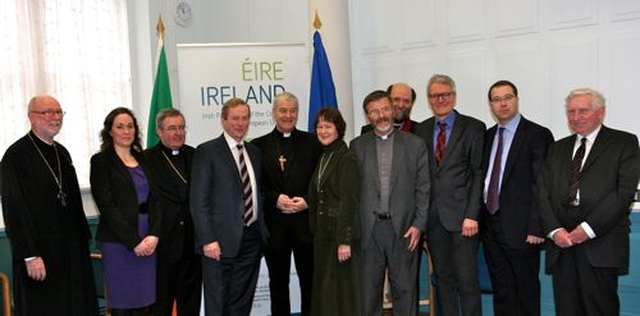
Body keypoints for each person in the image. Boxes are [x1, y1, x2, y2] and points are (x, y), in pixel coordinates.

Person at [538, 88, 639, 315]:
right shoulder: (557, 148)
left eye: (583, 111)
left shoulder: (624, 142)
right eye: (571, 112)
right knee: (566, 309)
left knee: (600, 309)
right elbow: (542, 193)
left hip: (600, 243)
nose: (576, 117)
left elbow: (623, 194)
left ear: (600, 113)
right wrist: (555, 231)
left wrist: (586, 230)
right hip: (562, 245)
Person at [1, 95, 99, 315]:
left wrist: (83, 244)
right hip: (40, 256)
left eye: (58, 112)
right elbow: (14, 209)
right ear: (31, 117)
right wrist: (30, 255)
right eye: (47, 112)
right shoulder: (15, 156)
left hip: (71, 251)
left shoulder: (62, 152)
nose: (55, 118)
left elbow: (72, 201)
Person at [350, 90, 430, 315]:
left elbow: (424, 188)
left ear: (393, 110)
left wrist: (418, 225)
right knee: (368, 293)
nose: (381, 115)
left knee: (405, 290)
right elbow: (351, 192)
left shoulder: (415, 144)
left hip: (405, 229)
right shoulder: (357, 146)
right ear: (368, 116)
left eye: (385, 109)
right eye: (374, 112)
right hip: (369, 230)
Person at [415, 74, 485, 316]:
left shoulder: (474, 127)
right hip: (433, 220)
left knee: (467, 280)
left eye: (445, 94)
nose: (440, 99)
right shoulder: (420, 129)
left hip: (463, 219)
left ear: (454, 96)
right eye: (435, 95)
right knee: (443, 278)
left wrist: (472, 215)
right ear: (429, 99)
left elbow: (478, 174)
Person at [481, 80, 553, 316]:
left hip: (523, 229)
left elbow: (542, 185)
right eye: (496, 99)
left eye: (507, 97)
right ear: (491, 104)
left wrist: (537, 226)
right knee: (502, 291)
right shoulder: (488, 136)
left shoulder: (537, 134)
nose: (502, 103)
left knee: (526, 290)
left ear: (517, 99)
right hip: (491, 226)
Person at [190, 98, 267, 316]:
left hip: (251, 239)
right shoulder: (207, 151)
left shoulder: (254, 152)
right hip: (219, 242)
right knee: (218, 301)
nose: (240, 123)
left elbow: (256, 191)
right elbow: (198, 201)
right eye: (235, 118)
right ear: (223, 120)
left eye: (244, 118)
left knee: (242, 299)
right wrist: (207, 239)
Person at [252, 92, 322, 316]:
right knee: (278, 283)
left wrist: (308, 202)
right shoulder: (257, 146)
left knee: (309, 282)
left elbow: (324, 181)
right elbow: (254, 187)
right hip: (276, 226)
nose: (288, 115)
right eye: (283, 110)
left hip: (306, 225)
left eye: (293, 111)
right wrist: (275, 199)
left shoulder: (313, 142)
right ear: (273, 113)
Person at [90, 107, 160, 316]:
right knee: (123, 303)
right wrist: (134, 242)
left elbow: (157, 200)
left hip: (148, 239)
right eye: (120, 127)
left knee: (145, 301)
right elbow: (107, 206)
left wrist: (154, 235)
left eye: (130, 126)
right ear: (110, 131)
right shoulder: (101, 161)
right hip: (119, 242)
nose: (126, 131)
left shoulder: (145, 159)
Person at [145, 108, 202, 316]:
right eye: (171, 128)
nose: (178, 133)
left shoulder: (195, 154)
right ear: (159, 131)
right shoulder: (146, 159)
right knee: (161, 302)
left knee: (191, 301)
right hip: (163, 242)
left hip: (192, 242)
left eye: (181, 127)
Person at [308, 107, 362, 316]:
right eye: (319, 126)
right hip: (323, 236)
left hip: (339, 239)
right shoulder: (324, 155)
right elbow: (322, 193)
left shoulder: (346, 158)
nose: (323, 131)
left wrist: (344, 241)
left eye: (328, 126)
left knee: (342, 295)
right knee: (326, 292)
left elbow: (349, 201)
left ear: (338, 129)